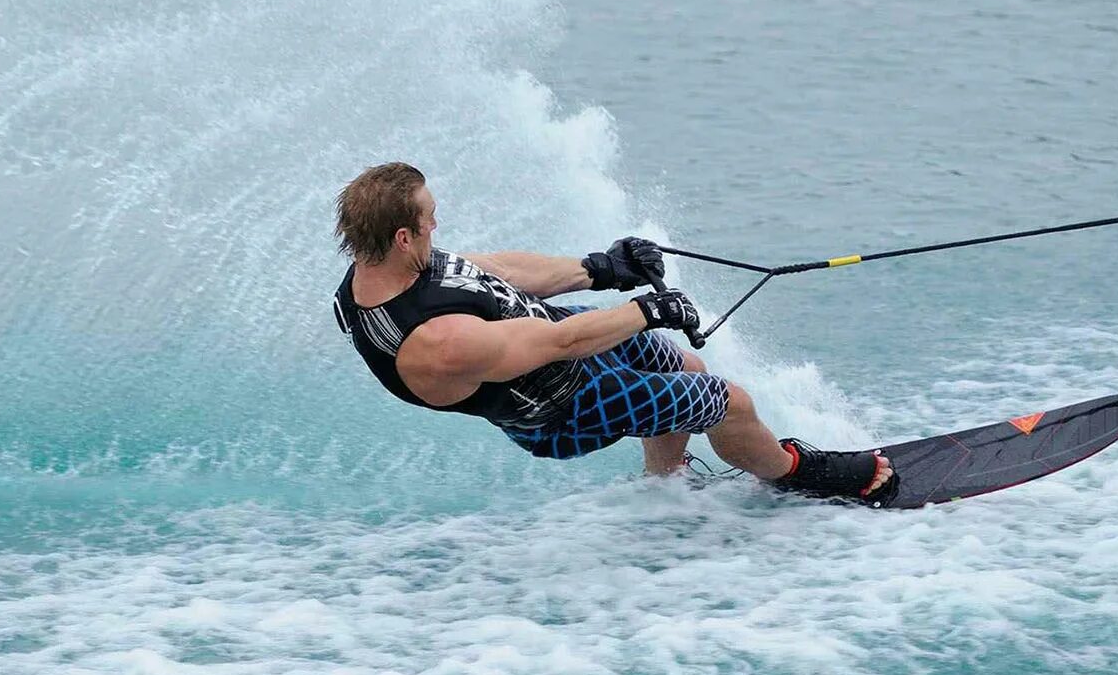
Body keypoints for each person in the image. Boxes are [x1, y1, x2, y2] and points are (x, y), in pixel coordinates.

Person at [332, 162, 894, 502]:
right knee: (730, 403)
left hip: (561, 346)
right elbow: (559, 345)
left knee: (688, 370)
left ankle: (667, 490)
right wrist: (648, 310)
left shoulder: (392, 260)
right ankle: (796, 474)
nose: (438, 224)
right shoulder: (432, 345)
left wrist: (603, 269)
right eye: (429, 216)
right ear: (404, 236)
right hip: (563, 407)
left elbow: (498, 272)